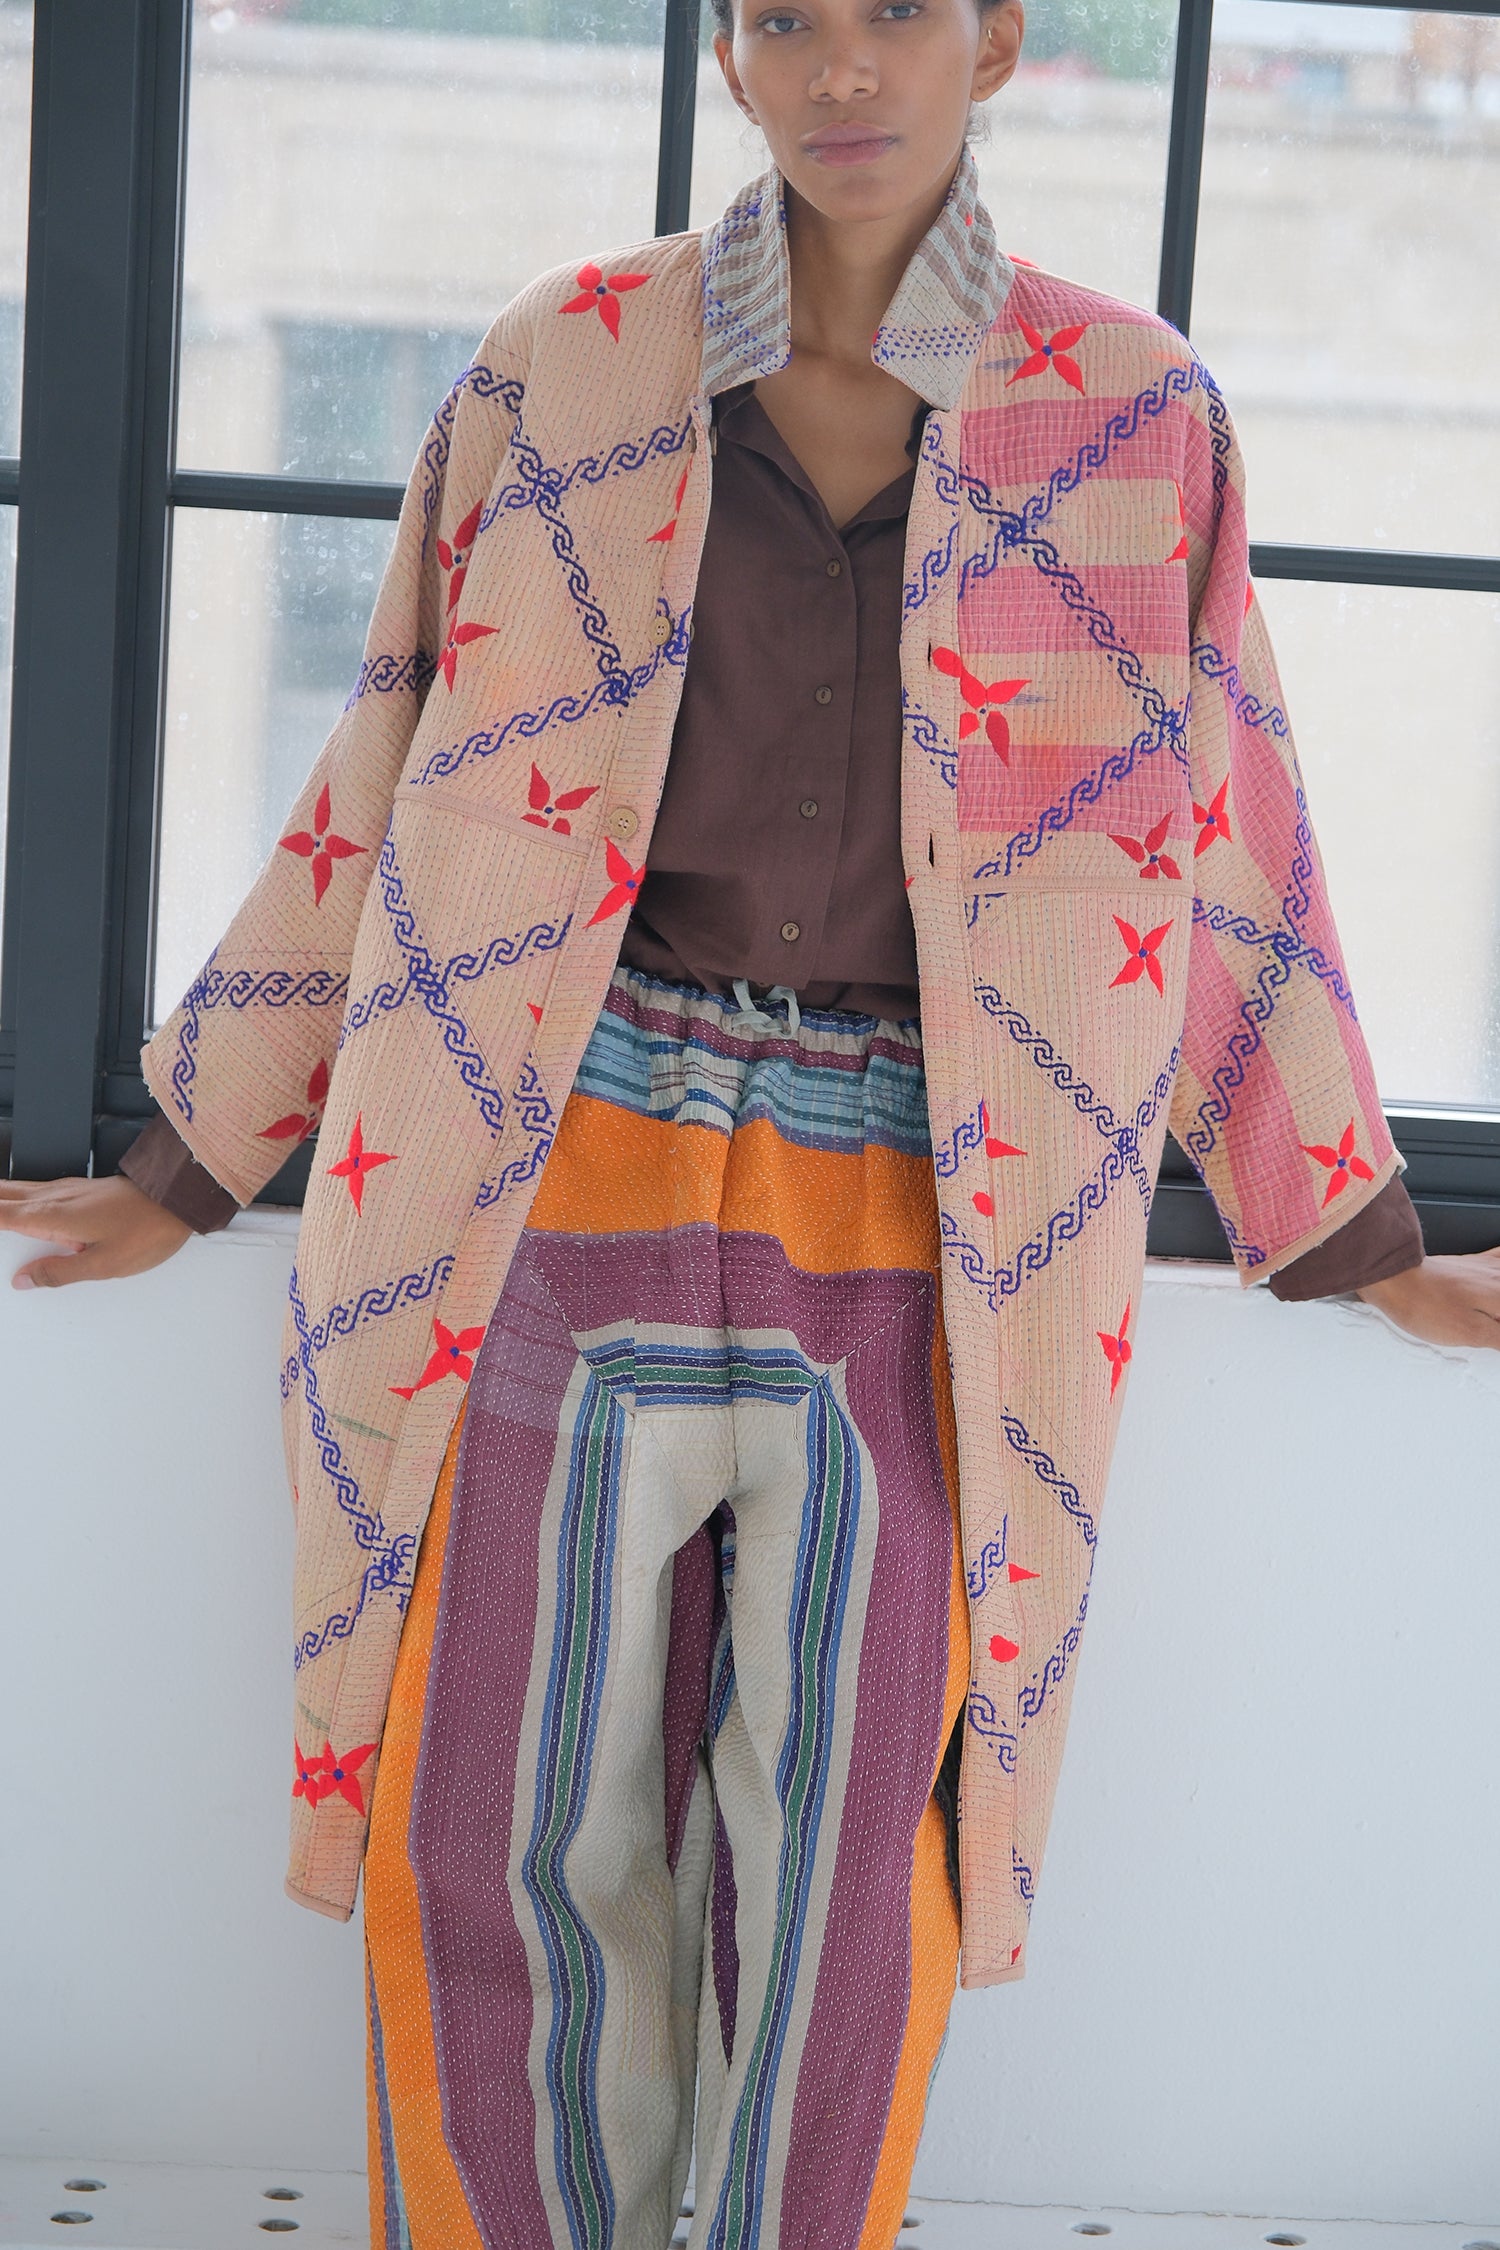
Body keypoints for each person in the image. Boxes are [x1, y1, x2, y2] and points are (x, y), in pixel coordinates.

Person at [4, 0, 1500, 2241]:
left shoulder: (1133, 412)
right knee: (491, 1814)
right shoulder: (567, 363)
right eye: (784, 17)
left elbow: (1231, 834)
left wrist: (1362, 1233)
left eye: (898, 10)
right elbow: (387, 753)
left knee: (857, 1850)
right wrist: (187, 1153)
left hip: (933, 1199)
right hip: (564, 1142)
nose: (841, 70)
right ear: (727, 54)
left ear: (1001, 36)